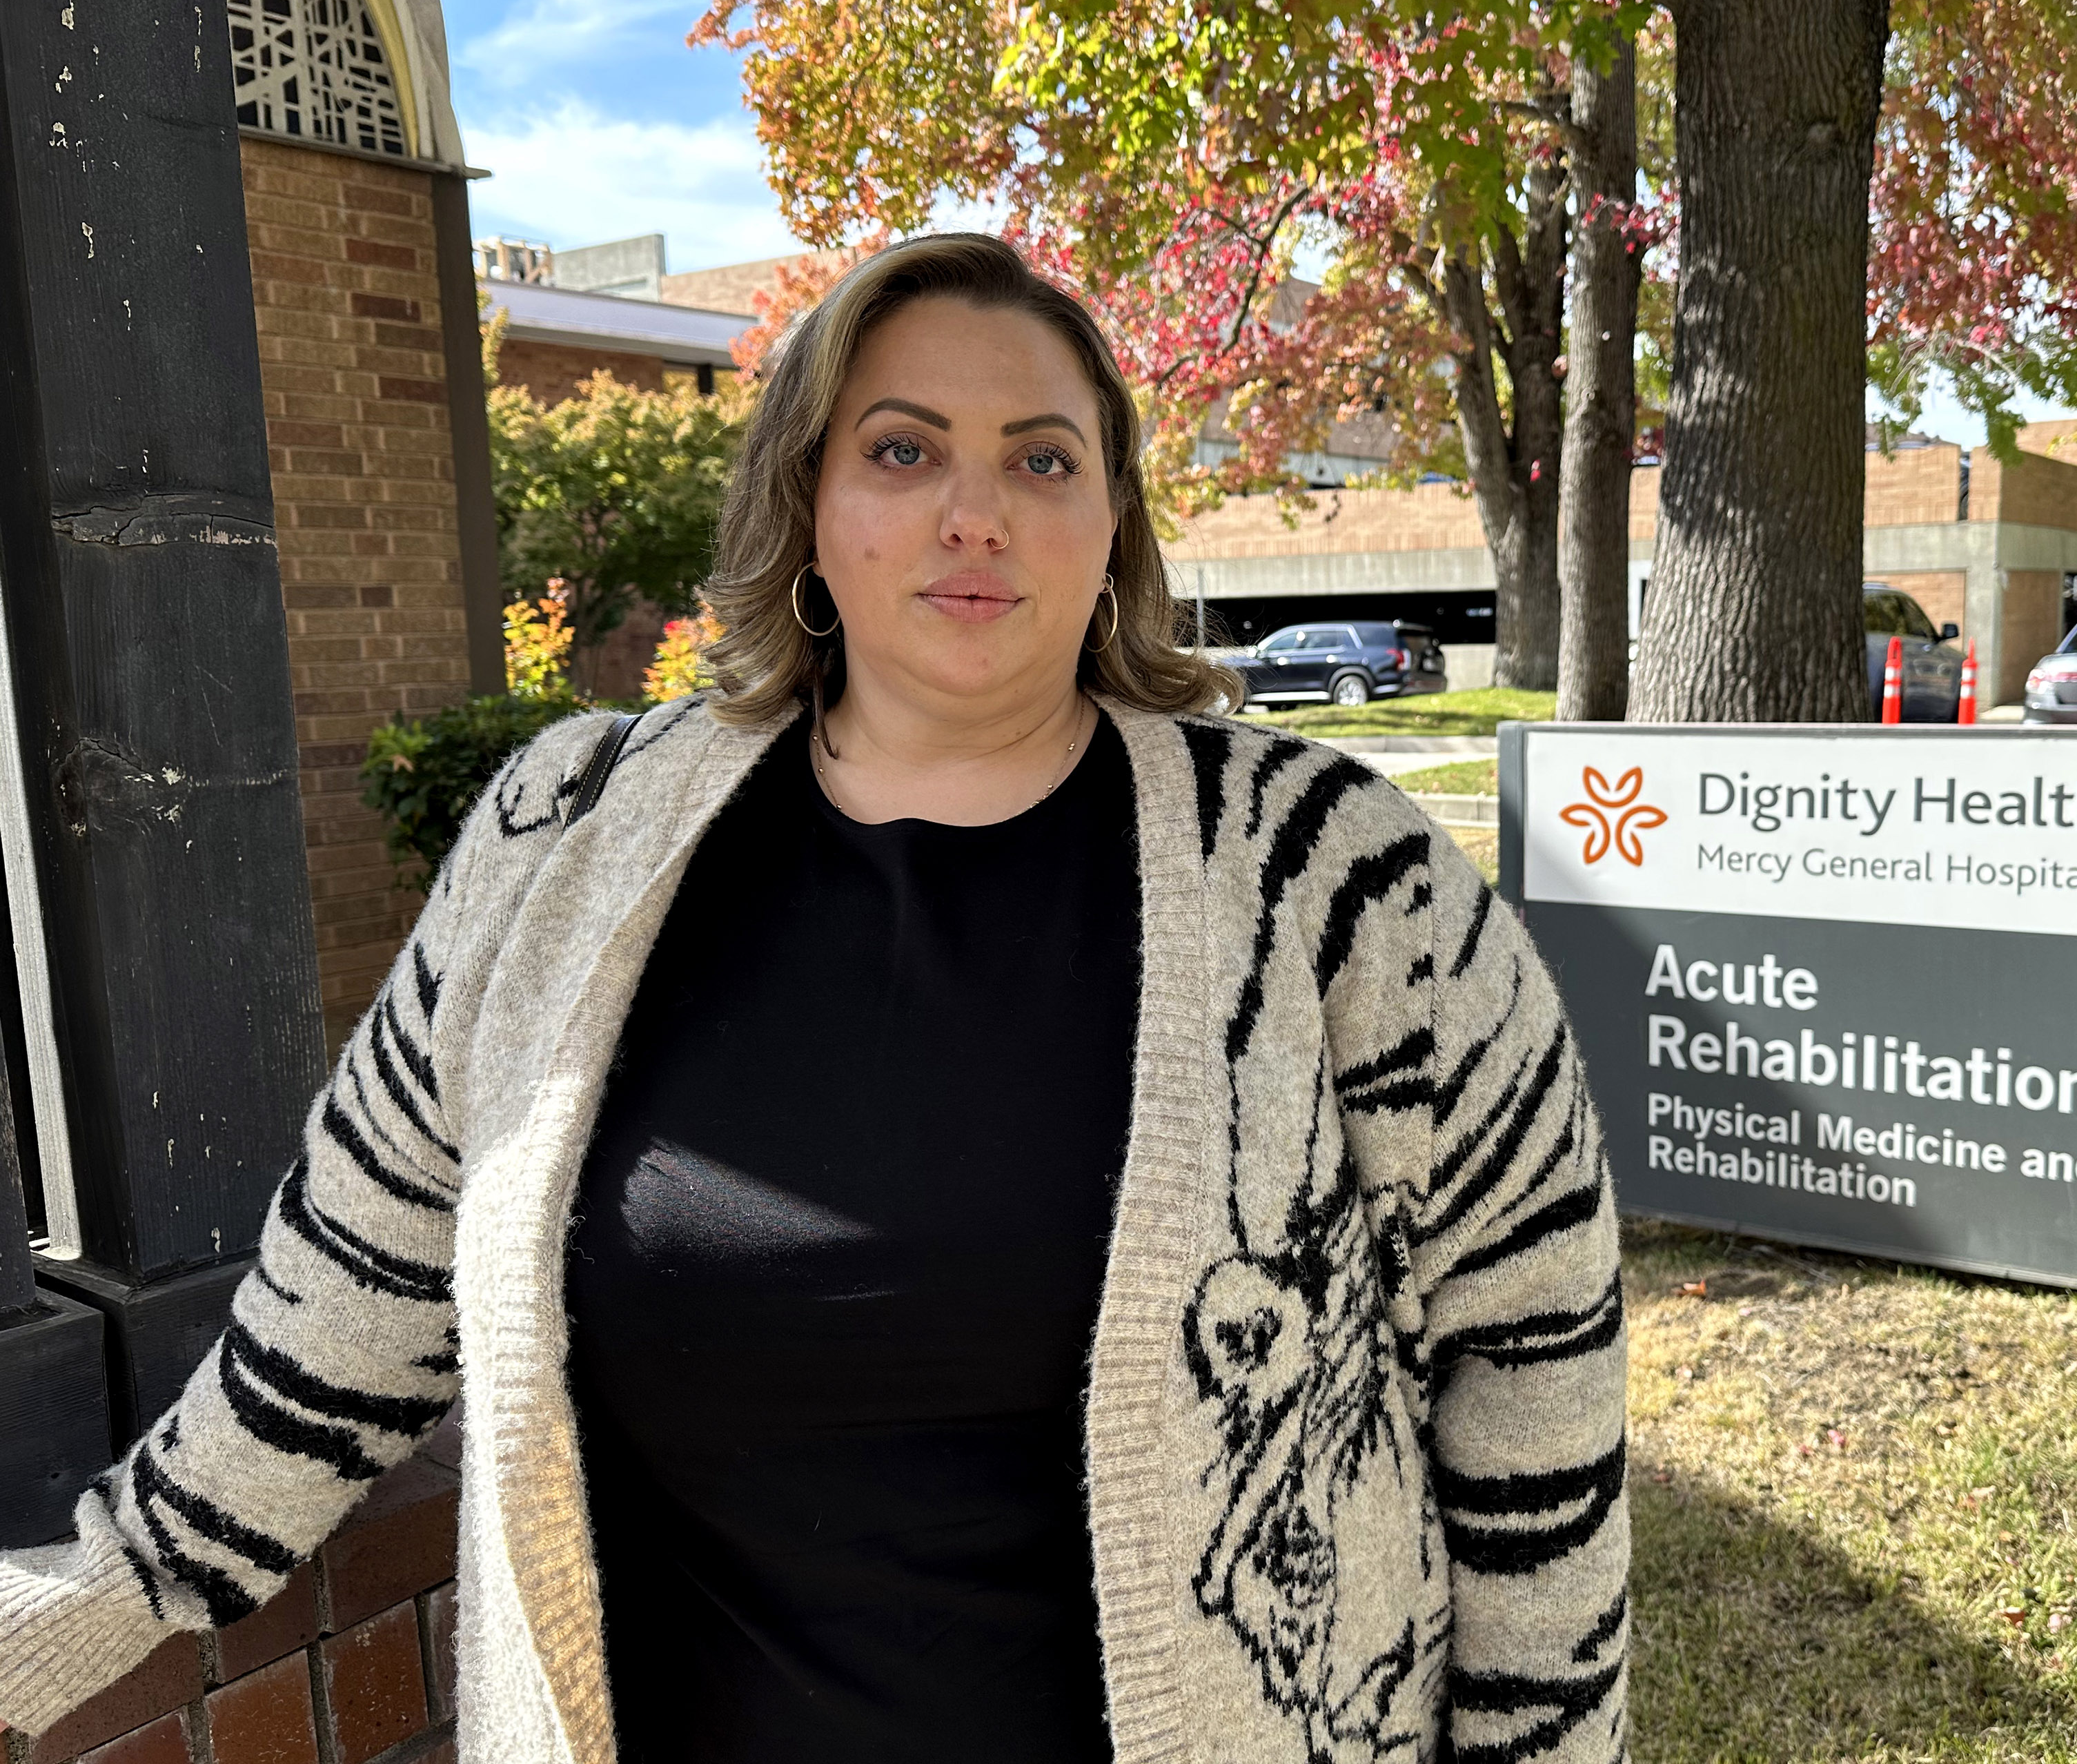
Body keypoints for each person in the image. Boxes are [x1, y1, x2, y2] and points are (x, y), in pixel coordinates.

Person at [0, 233, 1628, 1762]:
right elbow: (333, 1323)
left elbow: (1538, 1382)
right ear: (810, 499)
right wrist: (55, 1619)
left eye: (1042, 458)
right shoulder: (560, 838)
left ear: (1114, 520)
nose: (973, 511)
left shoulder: (1344, 886)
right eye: (903, 449)